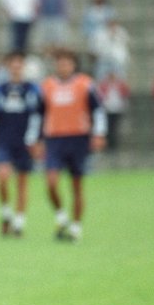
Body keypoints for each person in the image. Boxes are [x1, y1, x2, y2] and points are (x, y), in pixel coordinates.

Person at [40, 49, 106, 242]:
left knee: (76, 185)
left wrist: (99, 133)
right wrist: (35, 139)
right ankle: (61, 216)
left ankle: (76, 227)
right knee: (51, 182)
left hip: (78, 138)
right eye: (60, 63)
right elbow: (39, 114)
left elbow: (98, 110)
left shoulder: (85, 84)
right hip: (54, 139)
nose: (63, 66)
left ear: (73, 65)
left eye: (67, 63)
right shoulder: (47, 86)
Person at [0, 51, 42, 236]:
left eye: (19, 64)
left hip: (25, 142)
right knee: (3, 177)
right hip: (4, 140)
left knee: (22, 182)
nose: (16, 67)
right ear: (7, 67)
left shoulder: (32, 90)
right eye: (12, 64)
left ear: (23, 67)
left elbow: (37, 117)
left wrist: (36, 140)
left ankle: (19, 223)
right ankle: (6, 213)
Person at [98, 70, 130, 153]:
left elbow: (126, 93)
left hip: (117, 109)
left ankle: (114, 146)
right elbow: (100, 96)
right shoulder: (104, 85)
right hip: (107, 109)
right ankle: (108, 146)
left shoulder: (120, 85)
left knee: (114, 128)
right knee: (108, 128)